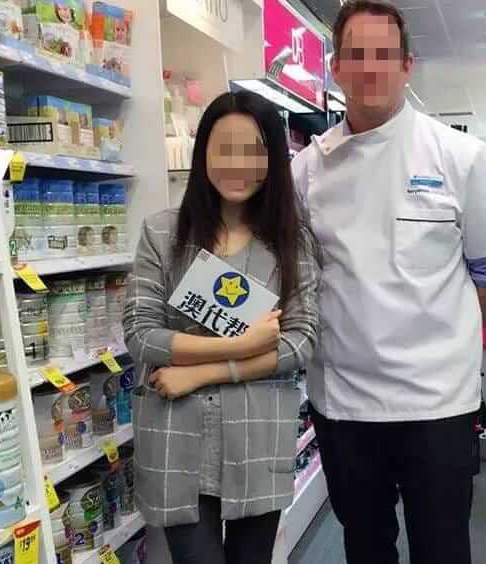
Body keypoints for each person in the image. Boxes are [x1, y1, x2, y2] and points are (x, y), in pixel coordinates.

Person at [291, 1, 486, 563]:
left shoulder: (460, 157)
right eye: (356, 55)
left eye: (384, 54)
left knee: (442, 548)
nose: (370, 68)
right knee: (366, 547)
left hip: (437, 405)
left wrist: (444, 335)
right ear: (335, 67)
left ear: (406, 65)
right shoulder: (306, 171)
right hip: (343, 405)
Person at [123, 91, 319, 564]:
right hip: (176, 436)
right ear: (202, 153)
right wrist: (244, 343)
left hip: (257, 433)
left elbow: (301, 340)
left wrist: (201, 372)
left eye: (253, 151)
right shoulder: (163, 233)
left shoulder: (290, 241)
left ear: (273, 159)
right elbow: (141, 333)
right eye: (224, 149)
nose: (238, 164)